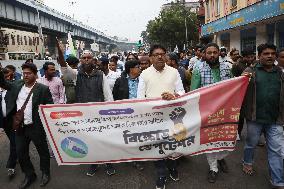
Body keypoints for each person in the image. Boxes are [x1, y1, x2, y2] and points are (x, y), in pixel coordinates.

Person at [56, 40, 115, 177]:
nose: (87, 60)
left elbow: (108, 95)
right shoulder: (76, 74)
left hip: (100, 115)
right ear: (81, 60)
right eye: (84, 58)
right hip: (84, 115)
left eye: (89, 58)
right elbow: (64, 67)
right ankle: (93, 163)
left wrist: (109, 113)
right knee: (90, 140)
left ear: (94, 60)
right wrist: (60, 51)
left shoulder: (101, 75)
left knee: (103, 139)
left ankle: (109, 163)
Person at [137, 44, 185, 189]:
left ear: (166, 56)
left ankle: (172, 167)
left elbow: (182, 92)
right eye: (156, 54)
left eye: (162, 54)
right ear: (151, 58)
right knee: (158, 147)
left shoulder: (174, 72)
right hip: (153, 118)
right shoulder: (144, 74)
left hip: (173, 117)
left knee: (173, 144)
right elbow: (140, 98)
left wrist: (174, 96)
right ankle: (161, 174)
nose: (159, 56)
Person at [0, 63, 53, 189]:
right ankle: (29, 175)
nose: (25, 75)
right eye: (24, 73)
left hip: (36, 127)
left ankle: (45, 173)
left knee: (43, 152)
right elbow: (3, 84)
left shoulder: (43, 89)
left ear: (35, 74)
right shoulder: (17, 85)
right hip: (20, 127)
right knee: (21, 153)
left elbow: (49, 107)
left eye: (28, 73)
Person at [242, 44, 284, 188]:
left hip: (275, 119)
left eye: (273, 53)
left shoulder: (281, 73)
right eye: (266, 53)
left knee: (276, 150)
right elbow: (238, 88)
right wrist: (243, 80)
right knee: (251, 144)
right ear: (259, 55)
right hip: (255, 119)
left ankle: (278, 180)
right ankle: (247, 162)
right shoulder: (250, 72)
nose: (270, 56)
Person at [190, 43, 232, 183]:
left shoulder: (227, 67)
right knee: (209, 140)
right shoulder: (198, 69)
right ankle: (213, 167)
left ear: (219, 53)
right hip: (207, 112)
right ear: (204, 54)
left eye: (215, 52)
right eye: (209, 53)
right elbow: (194, 92)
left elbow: (233, 86)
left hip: (224, 111)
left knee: (223, 138)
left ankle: (221, 158)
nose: (212, 55)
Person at [112, 60, 144, 170]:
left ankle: (137, 158)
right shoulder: (120, 81)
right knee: (127, 135)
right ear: (131, 69)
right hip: (125, 114)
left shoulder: (143, 81)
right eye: (137, 67)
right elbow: (115, 98)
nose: (140, 68)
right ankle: (128, 156)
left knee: (138, 136)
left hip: (141, 113)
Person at [231, 49, 256, 140]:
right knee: (240, 115)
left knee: (251, 115)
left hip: (250, 93)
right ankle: (238, 133)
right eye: (248, 57)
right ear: (244, 57)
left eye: (252, 57)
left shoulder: (254, 64)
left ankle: (254, 136)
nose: (250, 59)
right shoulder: (237, 65)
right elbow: (233, 79)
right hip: (240, 94)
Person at [0, 68, 18, 179]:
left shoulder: (13, 89)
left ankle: (11, 166)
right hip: (4, 122)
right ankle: (19, 156)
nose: (6, 80)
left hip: (14, 121)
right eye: (4, 78)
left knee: (14, 142)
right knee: (14, 142)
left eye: (8, 78)